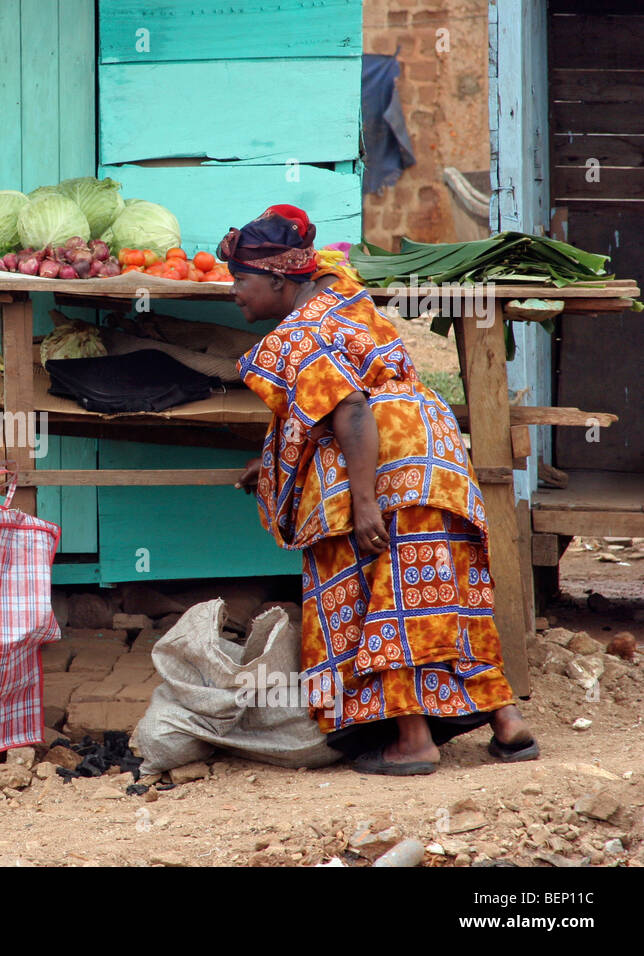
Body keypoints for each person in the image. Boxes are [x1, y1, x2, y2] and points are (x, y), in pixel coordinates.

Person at [224, 205, 538, 775]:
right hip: (433, 450)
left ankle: (413, 740)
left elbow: (349, 410)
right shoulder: (338, 289)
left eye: (241, 281)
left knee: (379, 596)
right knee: (443, 587)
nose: (235, 294)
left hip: (377, 462)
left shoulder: (298, 335)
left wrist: (365, 502)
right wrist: (269, 459)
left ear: (276, 278)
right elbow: (324, 405)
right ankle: (507, 722)